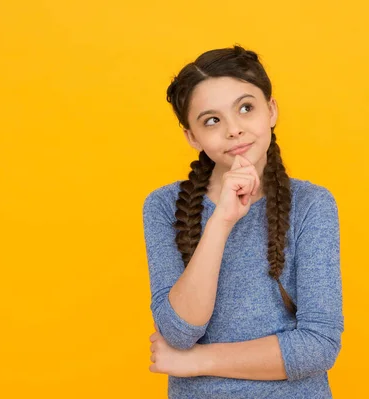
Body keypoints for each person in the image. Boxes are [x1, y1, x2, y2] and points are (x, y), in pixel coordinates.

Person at [142, 44, 344, 398]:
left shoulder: (312, 205)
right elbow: (178, 332)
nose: (234, 129)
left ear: (271, 111)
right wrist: (220, 221)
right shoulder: (162, 206)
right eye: (212, 120)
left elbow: (318, 345)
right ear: (192, 136)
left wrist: (196, 361)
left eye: (246, 108)